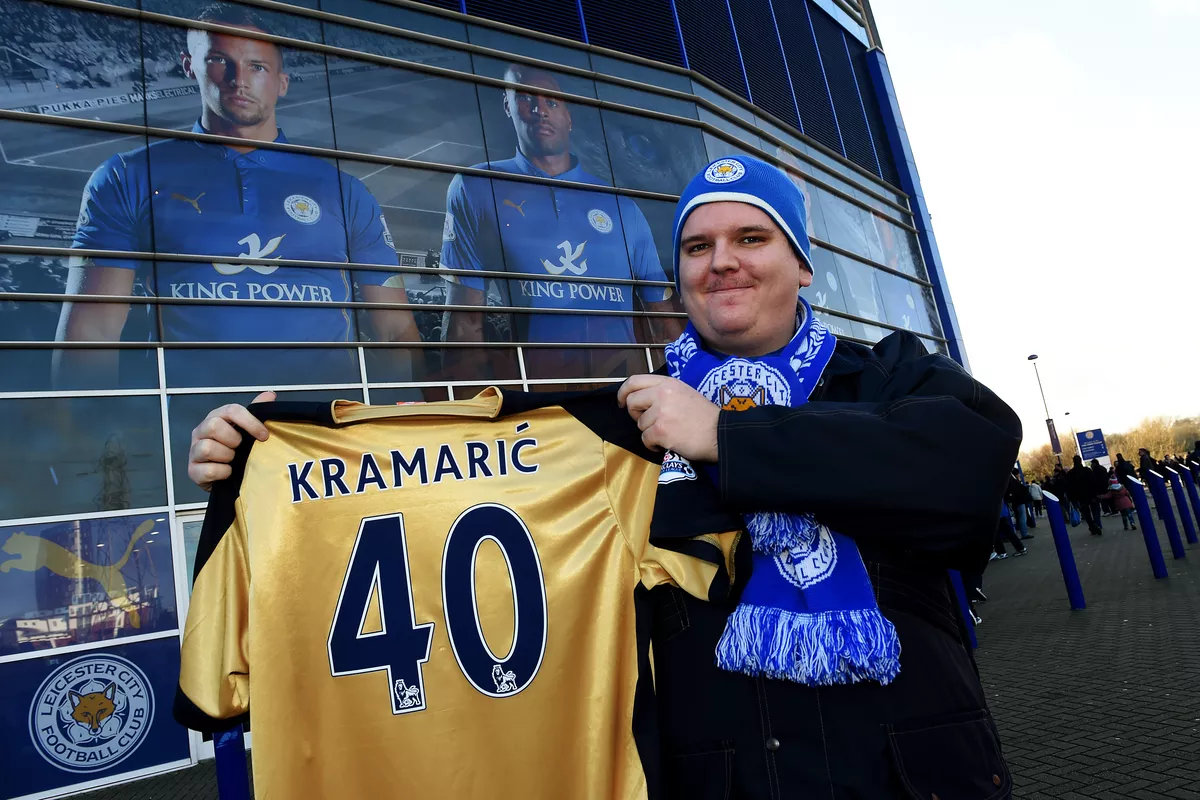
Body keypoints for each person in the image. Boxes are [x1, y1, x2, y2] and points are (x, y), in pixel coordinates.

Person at [188, 156, 1022, 797]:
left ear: (802, 264)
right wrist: (270, 462)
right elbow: (450, 512)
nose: (721, 262)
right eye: (698, 247)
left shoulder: (889, 375)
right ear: (678, 276)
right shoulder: (623, 426)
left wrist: (727, 439)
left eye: (751, 238)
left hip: (913, 773)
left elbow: (968, 471)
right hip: (718, 779)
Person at [56, 3, 419, 389]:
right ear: (189, 66)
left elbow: (396, 331)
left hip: (321, 423)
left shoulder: (346, 191)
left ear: (282, 82)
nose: (238, 80)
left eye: (256, 66)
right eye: (218, 60)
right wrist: (92, 427)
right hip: (191, 422)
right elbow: (92, 331)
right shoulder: (126, 176)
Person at [439, 63, 683, 381]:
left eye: (552, 102)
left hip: (621, 396)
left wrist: (683, 389)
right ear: (507, 106)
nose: (540, 110)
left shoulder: (622, 207)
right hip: (538, 399)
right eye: (526, 98)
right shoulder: (476, 187)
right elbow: (465, 321)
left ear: (569, 117)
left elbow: (663, 322)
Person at [1068, 455, 1103, 535]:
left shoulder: (1071, 474)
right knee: (1095, 510)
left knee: (1086, 513)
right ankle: (1097, 523)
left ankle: (1092, 526)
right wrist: (1097, 492)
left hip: (1080, 497)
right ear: (1080, 461)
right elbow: (1094, 482)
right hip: (1091, 494)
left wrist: (1072, 498)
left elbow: (1070, 487)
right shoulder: (1087, 470)